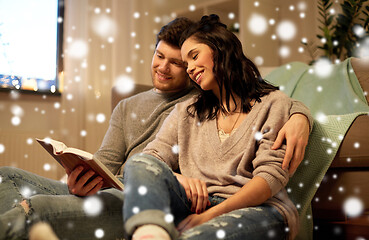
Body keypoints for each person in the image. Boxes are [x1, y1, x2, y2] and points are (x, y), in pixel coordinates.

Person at [0, 17, 311, 240]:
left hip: (227, 205)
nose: (178, 67)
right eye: (162, 57)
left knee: (37, 210)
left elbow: (270, 170)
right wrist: (76, 181)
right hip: (147, 192)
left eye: (185, 60)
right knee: (7, 177)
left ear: (219, 50)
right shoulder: (183, 111)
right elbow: (140, 161)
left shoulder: (264, 102)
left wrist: (302, 115)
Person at [123, 15, 306, 240]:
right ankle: (150, 232)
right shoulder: (186, 111)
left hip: (260, 209)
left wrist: (209, 215)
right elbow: (151, 158)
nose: (190, 68)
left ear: (219, 48)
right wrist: (181, 180)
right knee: (139, 162)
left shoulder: (273, 103)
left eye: (194, 56)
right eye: (186, 63)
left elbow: (269, 179)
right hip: (195, 205)